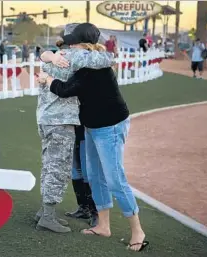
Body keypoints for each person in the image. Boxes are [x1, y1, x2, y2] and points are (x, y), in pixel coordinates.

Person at [37, 24, 148, 252]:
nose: (69, 48)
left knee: (115, 179)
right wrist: (49, 56)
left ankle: (137, 230)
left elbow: (67, 89)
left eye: (73, 43)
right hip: (91, 126)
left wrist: (48, 78)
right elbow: (58, 67)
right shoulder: (83, 61)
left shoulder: (94, 62)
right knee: (94, 176)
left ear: (83, 45)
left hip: (110, 125)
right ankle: (103, 225)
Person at [34, 23, 115, 233]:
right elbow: (108, 59)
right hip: (60, 120)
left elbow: (43, 56)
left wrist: (49, 56)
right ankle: (48, 215)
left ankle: (43, 212)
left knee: (48, 164)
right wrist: (102, 52)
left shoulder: (57, 54)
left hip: (45, 118)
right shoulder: (75, 56)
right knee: (58, 168)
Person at [65, 125, 98, 227]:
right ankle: (83, 208)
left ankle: (95, 212)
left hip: (87, 132)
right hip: (72, 133)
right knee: (75, 173)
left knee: (87, 173)